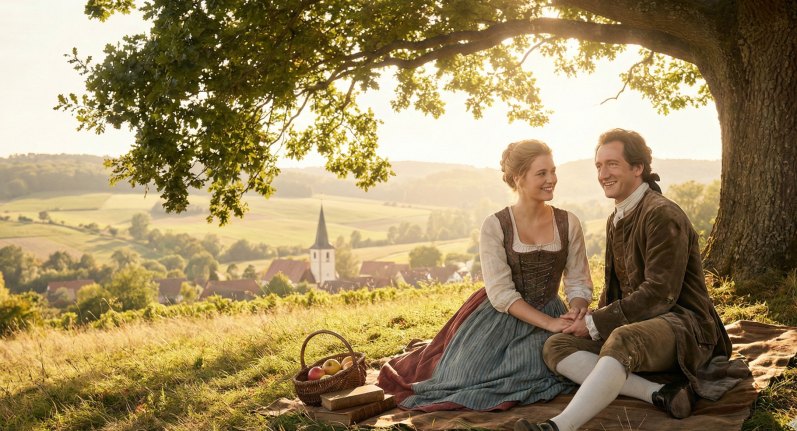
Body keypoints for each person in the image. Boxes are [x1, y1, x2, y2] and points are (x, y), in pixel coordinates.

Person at [516, 129, 750, 431]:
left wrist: (595, 324)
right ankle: (660, 394)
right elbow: (614, 289)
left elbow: (660, 294)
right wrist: (589, 318)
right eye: (599, 166)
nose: (603, 174)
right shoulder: (617, 217)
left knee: (622, 338)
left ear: (637, 168)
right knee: (557, 346)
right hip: (641, 325)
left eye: (612, 164)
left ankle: (558, 427)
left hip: (686, 327)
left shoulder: (661, 214)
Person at [376, 139, 594, 411]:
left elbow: (578, 281)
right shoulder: (495, 226)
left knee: (542, 361)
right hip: (499, 316)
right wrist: (550, 324)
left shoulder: (568, 222)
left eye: (553, 171)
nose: (551, 179)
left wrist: (576, 312)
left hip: (552, 309)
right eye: (541, 173)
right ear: (519, 179)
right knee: (464, 376)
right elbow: (502, 294)